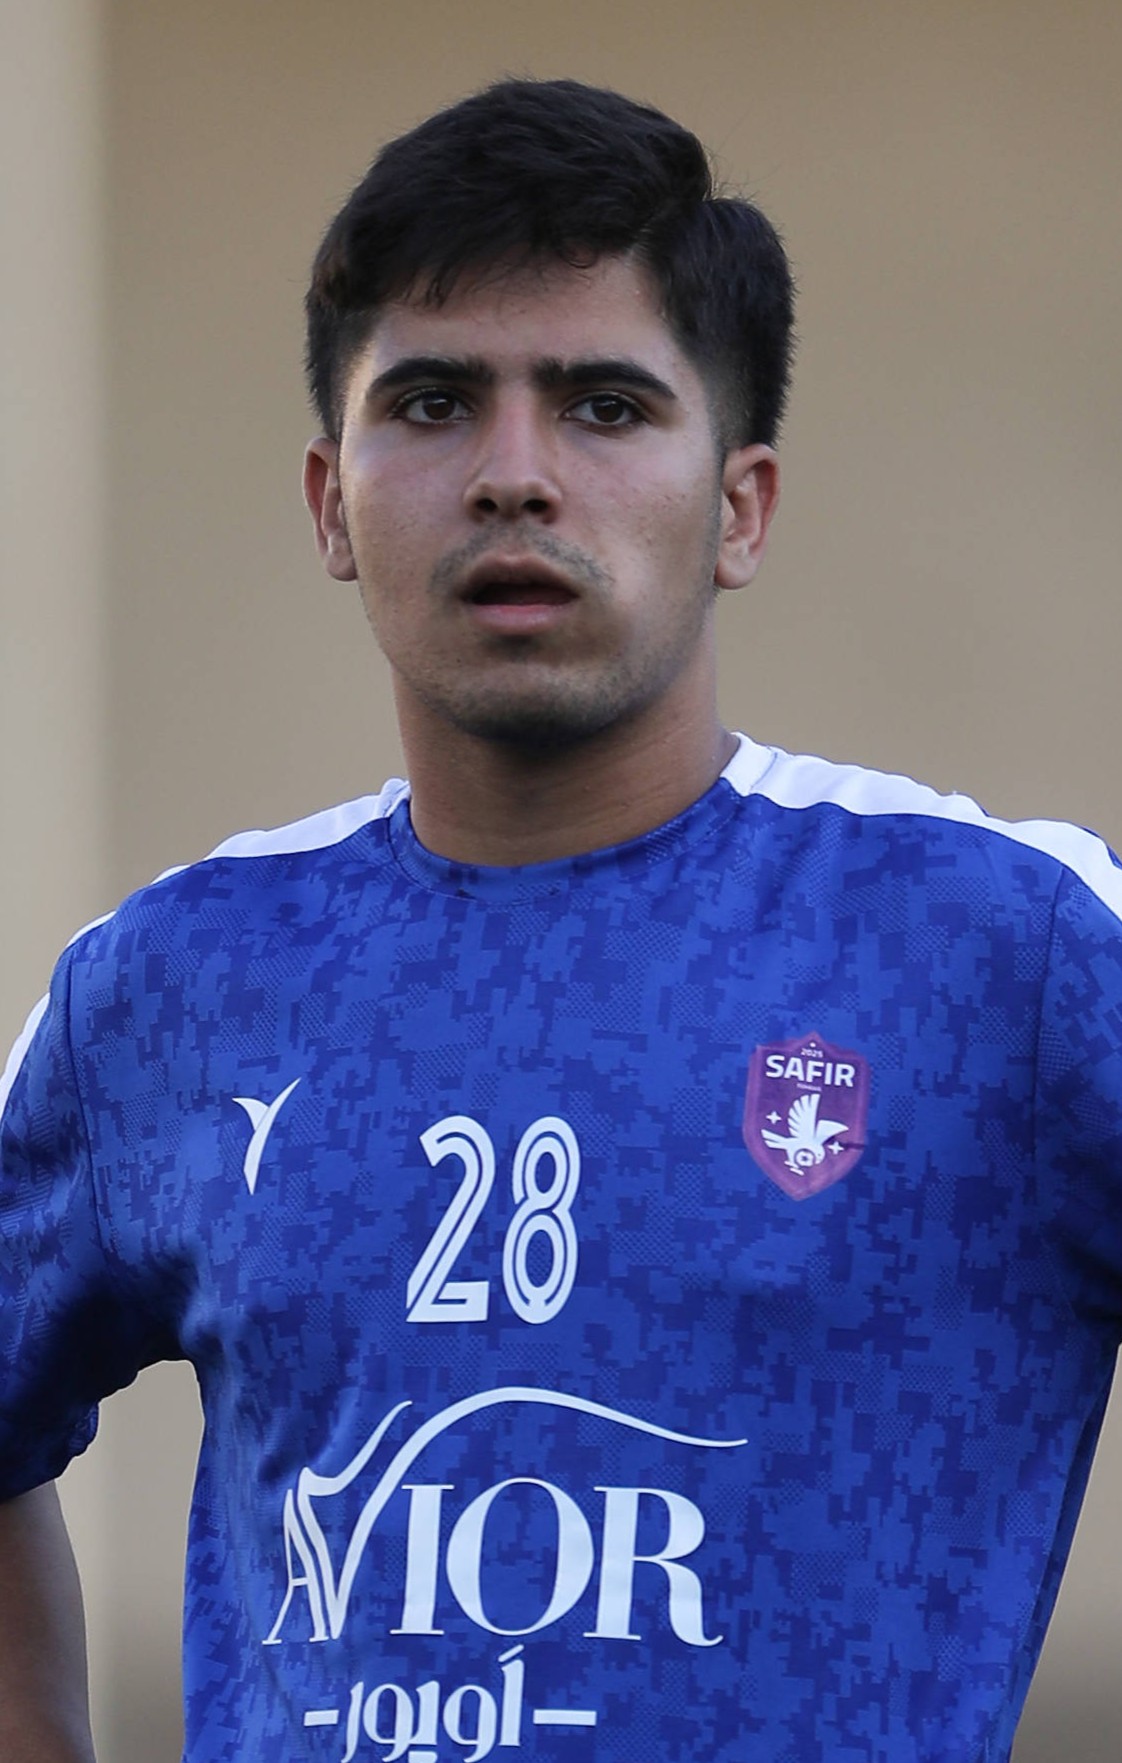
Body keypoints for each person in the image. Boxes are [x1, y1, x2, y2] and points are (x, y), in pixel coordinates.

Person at [1, 75, 1120, 1763]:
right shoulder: (165, 987)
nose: (513, 476)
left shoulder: (1004, 955)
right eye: (433, 402)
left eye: (603, 405)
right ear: (330, 500)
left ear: (737, 505)